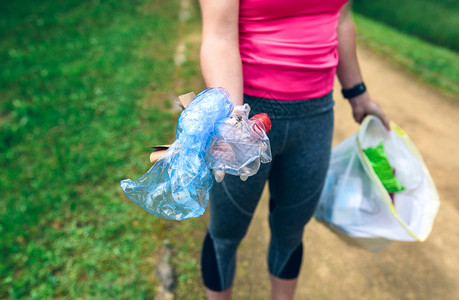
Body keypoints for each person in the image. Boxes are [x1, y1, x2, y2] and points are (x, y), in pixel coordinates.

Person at [198, 0, 390, 299]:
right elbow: (218, 37)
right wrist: (232, 122)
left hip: (316, 117)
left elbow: (341, 18)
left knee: (291, 232)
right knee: (225, 233)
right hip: (247, 112)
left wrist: (358, 94)